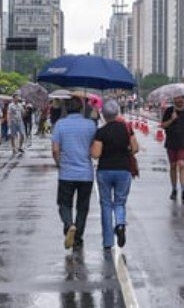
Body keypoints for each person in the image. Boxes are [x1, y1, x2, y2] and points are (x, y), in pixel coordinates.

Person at [51, 97, 98, 250]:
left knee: (64, 204)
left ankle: (68, 224)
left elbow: (55, 150)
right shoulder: (90, 125)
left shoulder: (60, 124)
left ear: (66, 108)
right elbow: (95, 148)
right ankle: (78, 237)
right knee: (82, 207)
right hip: (86, 173)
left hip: (66, 173)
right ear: (81, 108)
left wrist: (59, 163)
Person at [92, 100, 138, 251]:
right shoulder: (127, 129)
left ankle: (108, 241)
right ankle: (120, 224)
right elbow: (135, 148)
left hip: (105, 170)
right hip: (123, 170)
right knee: (120, 202)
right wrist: (126, 150)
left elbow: (96, 154)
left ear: (104, 115)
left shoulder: (101, 132)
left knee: (106, 204)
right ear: (117, 112)